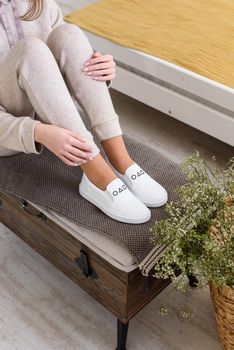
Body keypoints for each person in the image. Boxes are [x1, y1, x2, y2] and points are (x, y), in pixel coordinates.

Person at [0, 0, 168, 224]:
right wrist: (38, 132)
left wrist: (101, 68)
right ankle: (97, 175)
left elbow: (59, 62)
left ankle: (121, 160)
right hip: (6, 135)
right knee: (30, 48)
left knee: (68, 33)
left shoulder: (39, 3)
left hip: (44, 109)